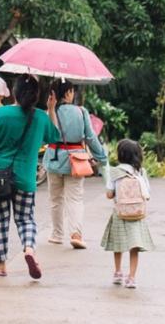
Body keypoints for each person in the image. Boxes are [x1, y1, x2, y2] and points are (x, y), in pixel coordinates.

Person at [0, 74, 60, 278]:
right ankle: (29, 248)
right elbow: (55, 136)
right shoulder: (40, 117)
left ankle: (1, 264)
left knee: (0, 219)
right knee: (26, 219)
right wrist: (50, 110)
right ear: (35, 95)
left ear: (14, 92)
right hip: (25, 177)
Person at [43, 79, 107, 249]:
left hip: (54, 159)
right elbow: (90, 137)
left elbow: (47, 135)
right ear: (68, 92)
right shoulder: (81, 111)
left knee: (55, 199)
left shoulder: (49, 111)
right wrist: (102, 157)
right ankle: (76, 234)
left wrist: (50, 110)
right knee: (75, 198)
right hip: (75, 160)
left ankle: (57, 234)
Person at [102, 139, 154, 289]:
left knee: (118, 245)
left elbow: (109, 194)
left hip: (120, 213)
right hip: (137, 214)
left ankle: (118, 272)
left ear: (120, 154)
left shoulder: (114, 172)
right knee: (134, 247)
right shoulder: (141, 172)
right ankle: (131, 278)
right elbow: (147, 193)